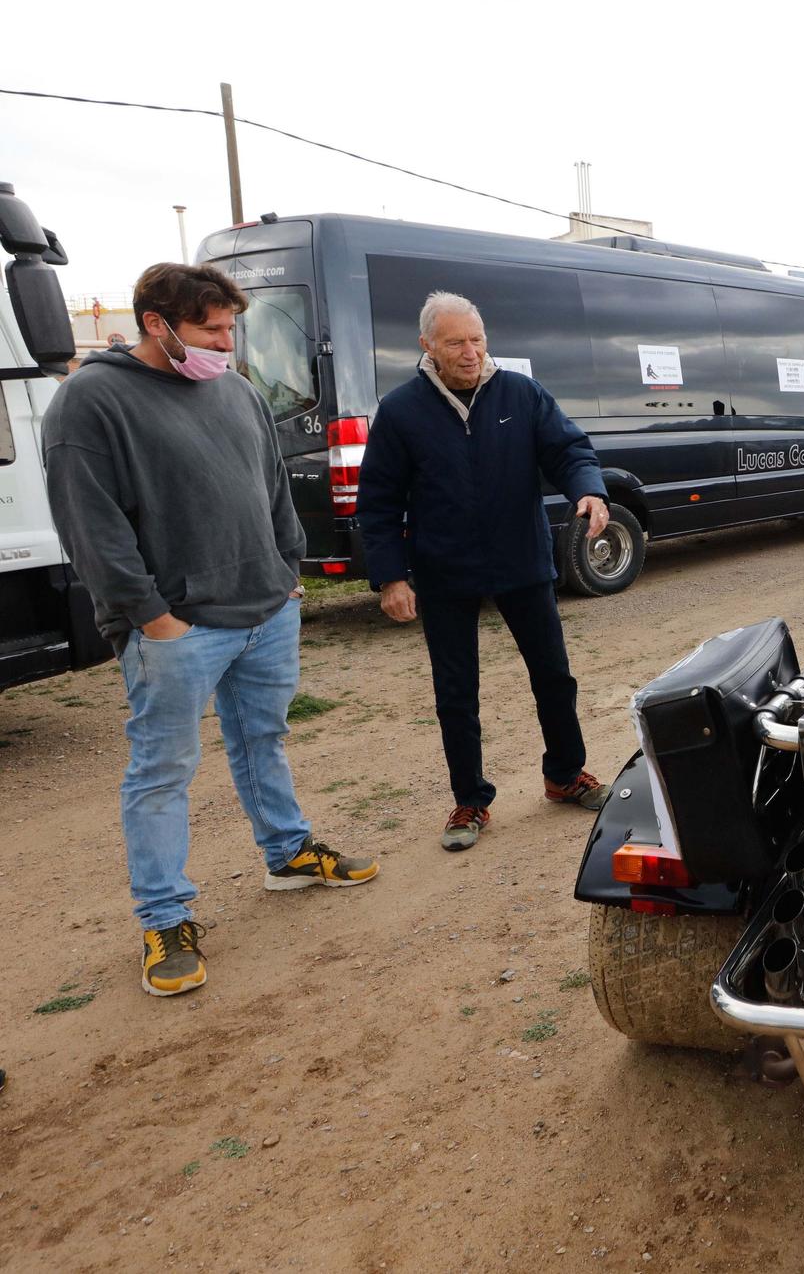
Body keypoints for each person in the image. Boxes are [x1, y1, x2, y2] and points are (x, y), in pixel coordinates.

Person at [43, 262, 377, 998]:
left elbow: (270, 485)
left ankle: (286, 854)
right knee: (161, 774)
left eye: (231, 328)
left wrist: (287, 571)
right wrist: (153, 620)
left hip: (266, 610)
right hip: (177, 630)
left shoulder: (236, 389)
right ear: (156, 323)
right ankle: (164, 918)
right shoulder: (90, 401)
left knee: (265, 739)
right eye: (211, 329)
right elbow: (92, 529)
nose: (226, 344)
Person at [357, 291, 614, 852]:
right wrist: (391, 576)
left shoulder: (521, 394)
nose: (470, 353)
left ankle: (565, 775)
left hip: (521, 560)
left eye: (477, 339)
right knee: (456, 692)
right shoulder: (401, 411)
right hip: (444, 570)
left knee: (554, 676)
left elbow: (570, 451)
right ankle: (470, 800)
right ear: (427, 346)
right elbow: (377, 502)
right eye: (455, 343)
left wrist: (589, 492)